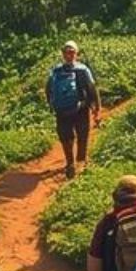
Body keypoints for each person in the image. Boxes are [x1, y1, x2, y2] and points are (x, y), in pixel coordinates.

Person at [46, 40, 100, 179]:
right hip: (81, 109)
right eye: (68, 52)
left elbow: (48, 89)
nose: (69, 55)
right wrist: (96, 109)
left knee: (66, 138)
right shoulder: (82, 69)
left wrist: (52, 105)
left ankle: (70, 163)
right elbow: (92, 89)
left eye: (70, 52)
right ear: (76, 54)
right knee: (82, 136)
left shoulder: (56, 70)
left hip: (62, 110)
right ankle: (80, 162)